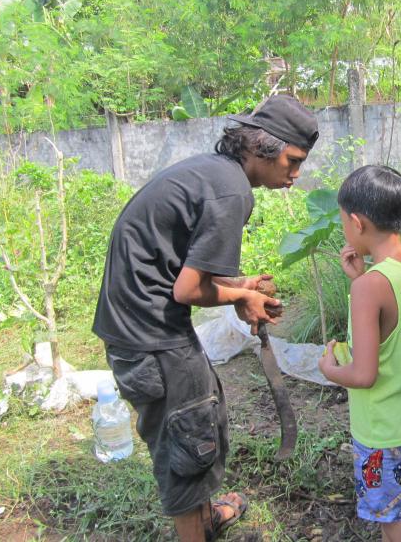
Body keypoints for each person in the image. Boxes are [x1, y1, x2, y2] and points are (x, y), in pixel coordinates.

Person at [92, 95, 319, 542]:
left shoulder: (212, 172)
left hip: (138, 326)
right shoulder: (232, 191)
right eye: (293, 161)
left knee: (195, 421)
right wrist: (240, 298)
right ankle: (196, 529)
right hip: (152, 337)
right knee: (189, 434)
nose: (296, 175)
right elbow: (187, 289)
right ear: (261, 149)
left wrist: (238, 286)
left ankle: (203, 516)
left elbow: (182, 266)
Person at [318, 165, 401, 542]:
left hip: (382, 432)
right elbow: (392, 329)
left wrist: (328, 369)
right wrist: (358, 278)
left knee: (396, 524)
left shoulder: (369, 288)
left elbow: (364, 375)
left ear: (357, 222)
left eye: (343, 221)